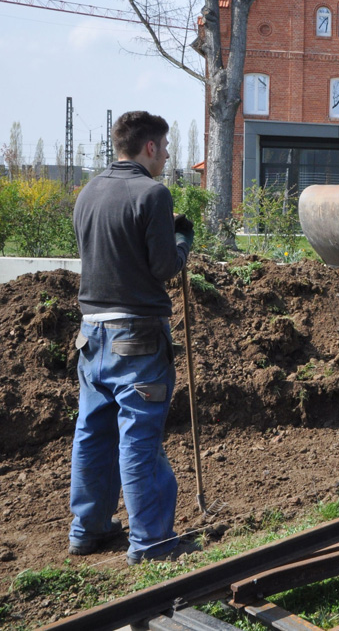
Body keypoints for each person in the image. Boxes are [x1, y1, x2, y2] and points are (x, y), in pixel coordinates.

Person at [69, 111, 195, 565]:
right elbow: (163, 266)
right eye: (163, 148)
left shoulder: (88, 192)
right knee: (139, 439)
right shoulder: (153, 193)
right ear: (148, 148)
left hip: (91, 336)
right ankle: (153, 542)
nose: (165, 155)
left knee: (92, 433)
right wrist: (183, 239)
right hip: (137, 339)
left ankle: (88, 529)